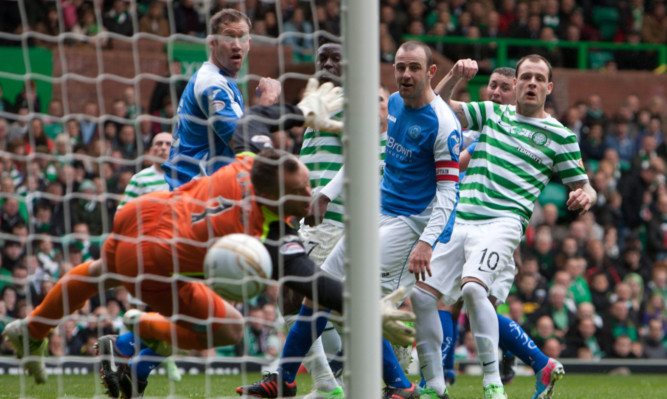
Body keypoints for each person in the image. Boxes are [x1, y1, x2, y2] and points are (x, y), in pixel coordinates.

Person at [3, 84, 413, 397]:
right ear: (277, 199)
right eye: (304, 189)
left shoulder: (251, 161)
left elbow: (254, 120)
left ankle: (33, 329)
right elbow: (315, 283)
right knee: (227, 330)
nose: (311, 192)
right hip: (158, 258)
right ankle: (139, 332)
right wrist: (367, 311)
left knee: (95, 272)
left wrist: (301, 111)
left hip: (143, 214)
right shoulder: (269, 234)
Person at [237, 40, 462, 399]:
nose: (406, 74)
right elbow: (364, 156)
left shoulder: (443, 124)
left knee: (355, 299)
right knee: (321, 288)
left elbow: (449, 192)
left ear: (430, 72)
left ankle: (399, 385)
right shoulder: (396, 106)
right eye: (401, 67)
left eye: (414, 68)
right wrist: (325, 194)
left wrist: (426, 241)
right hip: (378, 215)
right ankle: (285, 377)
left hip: (411, 226)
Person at [412, 55, 596, 399]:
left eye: (538, 78)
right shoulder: (493, 114)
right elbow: (435, 107)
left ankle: (493, 384)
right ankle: (435, 386)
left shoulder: (560, 135)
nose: (531, 82)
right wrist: (453, 75)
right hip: (461, 218)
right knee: (421, 296)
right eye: (526, 76)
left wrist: (585, 196)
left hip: (503, 222)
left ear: (548, 87)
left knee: (473, 291)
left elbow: (585, 186)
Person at [161, 9, 281, 189]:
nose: (236, 45)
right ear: (212, 43)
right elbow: (244, 144)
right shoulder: (212, 84)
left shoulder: (223, 81)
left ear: (249, 43)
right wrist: (267, 101)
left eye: (242, 38)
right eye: (229, 37)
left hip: (201, 192)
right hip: (194, 196)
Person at [117, 132, 172, 210]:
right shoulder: (139, 178)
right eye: (159, 144)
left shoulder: (184, 177)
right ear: (151, 151)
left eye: (168, 144)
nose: (163, 147)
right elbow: (122, 211)